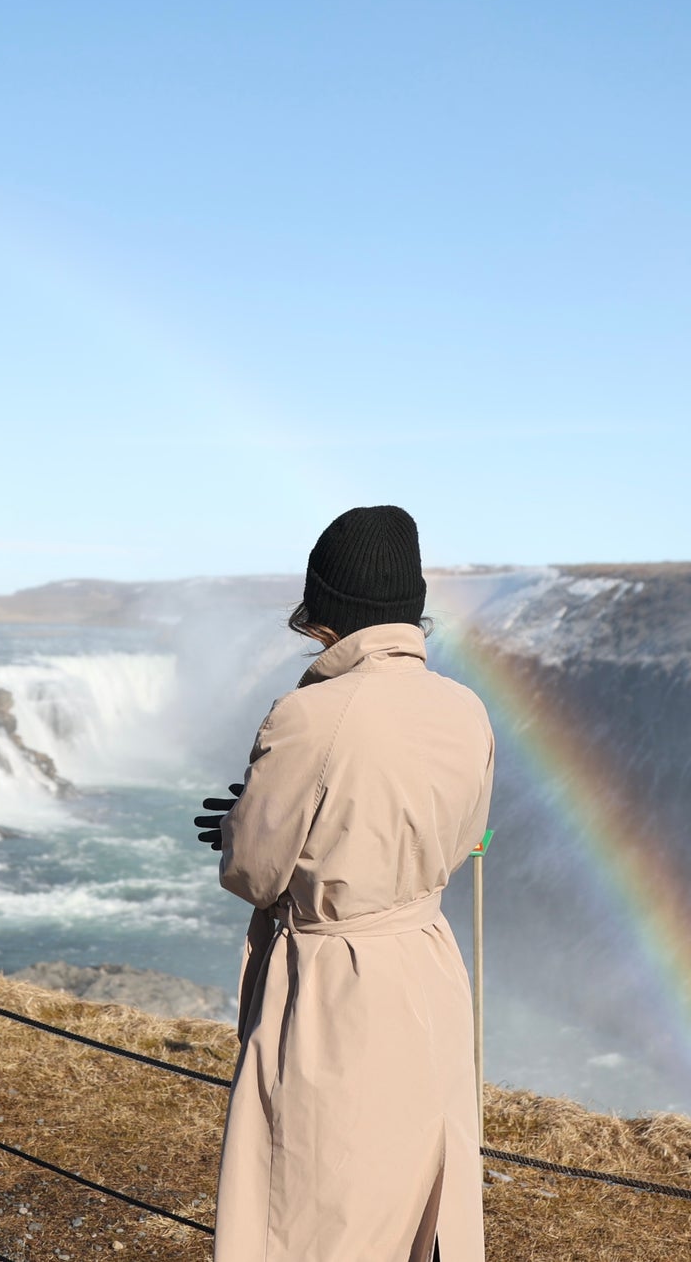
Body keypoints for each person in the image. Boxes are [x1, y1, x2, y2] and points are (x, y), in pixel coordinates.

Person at [194, 505, 494, 1262]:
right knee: (415, 1208)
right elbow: (457, 841)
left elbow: (254, 870)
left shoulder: (309, 713)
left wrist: (239, 824)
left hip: (336, 989)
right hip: (427, 968)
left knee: (317, 1210)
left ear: (329, 608)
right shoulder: (467, 709)